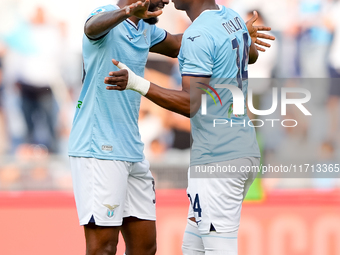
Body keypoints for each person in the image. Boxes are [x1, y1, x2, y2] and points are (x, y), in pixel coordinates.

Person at [104, 0, 274, 254]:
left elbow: (192, 103)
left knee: (218, 249)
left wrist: (138, 84)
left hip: (219, 159)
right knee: (192, 248)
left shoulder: (198, 33)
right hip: (239, 149)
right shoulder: (232, 17)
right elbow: (251, 56)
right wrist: (241, 37)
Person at [68, 0, 183, 254]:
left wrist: (229, 33)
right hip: (98, 147)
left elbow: (176, 45)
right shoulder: (104, 16)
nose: (166, 1)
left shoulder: (145, 27)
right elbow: (91, 29)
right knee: (104, 248)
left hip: (131, 149)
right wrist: (126, 12)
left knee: (146, 247)